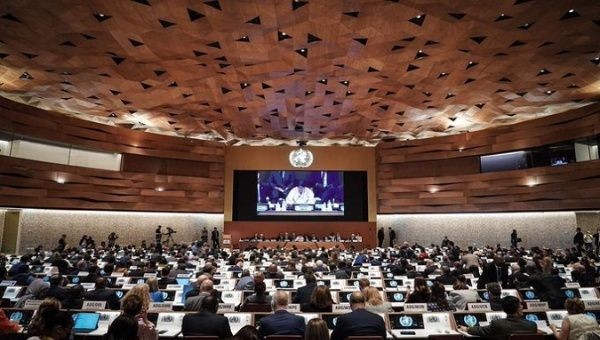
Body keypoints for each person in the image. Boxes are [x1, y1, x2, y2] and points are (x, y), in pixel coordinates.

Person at [459, 296, 537, 339]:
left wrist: (467, 329)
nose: (522, 307)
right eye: (520, 305)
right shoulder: (532, 325)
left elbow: (481, 330)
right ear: (518, 309)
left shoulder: (498, 324)